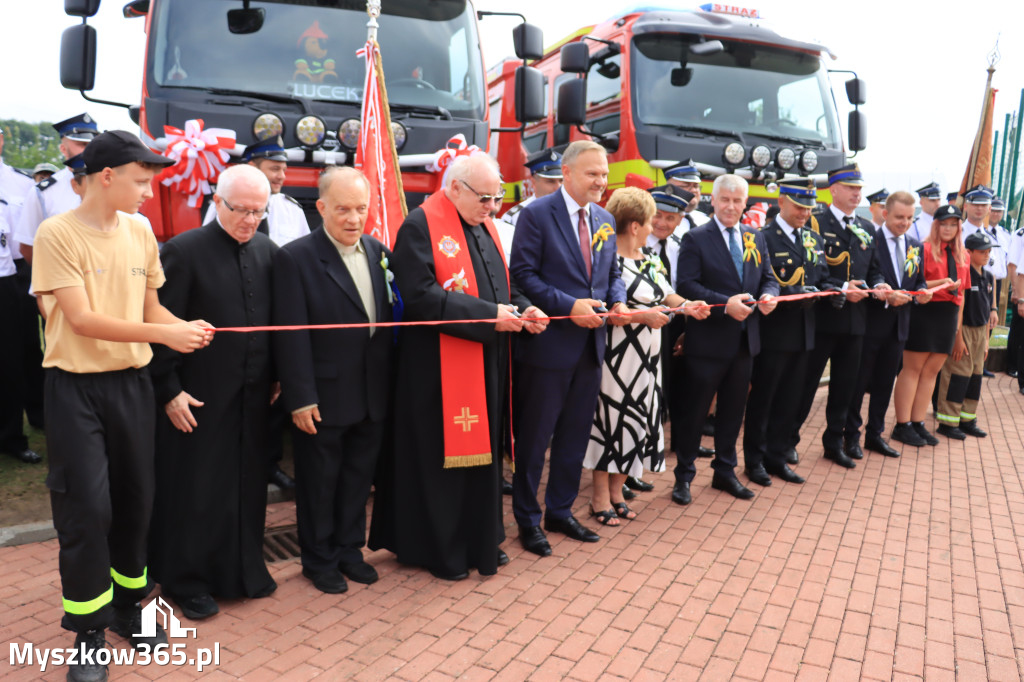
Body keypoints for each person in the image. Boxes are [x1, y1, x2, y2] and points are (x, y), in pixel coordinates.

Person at [31, 130, 211, 682]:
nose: (147, 193)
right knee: (87, 508)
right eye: (140, 181)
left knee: (136, 503)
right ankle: (88, 631)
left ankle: (130, 609)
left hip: (131, 386)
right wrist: (164, 338)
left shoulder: (139, 231)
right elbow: (82, 320)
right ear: (106, 176)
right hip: (75, 388)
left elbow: (151, 305)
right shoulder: (57, 233)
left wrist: (184, 329)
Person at [369, 154, 546, 580]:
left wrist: (524, 308)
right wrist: (490, 315)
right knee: (442, 462)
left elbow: (504, 283)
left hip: (487, 359)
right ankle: (442, 548)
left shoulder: (483, 223)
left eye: (497, 197)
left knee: (483, 459)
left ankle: (479, 539)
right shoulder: (420, 225)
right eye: (485, 198)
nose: (492, 207)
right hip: (437, 370)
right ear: (454, 188)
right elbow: (421, 296)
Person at [148, 164, 278, 619]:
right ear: (216, 202)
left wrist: (278, 376)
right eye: (239, 210)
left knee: (245, 485)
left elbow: (276, 325)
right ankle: (188, 580)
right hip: (196, 396)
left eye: (258, 212)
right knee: (197, 490)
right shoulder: (183, 251)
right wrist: (169, 391)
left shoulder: (268, 251)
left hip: (252, 395)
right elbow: (159, 327)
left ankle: (243, 571)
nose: (249, 220)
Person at [273, 167, 395, 593]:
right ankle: (318, 559)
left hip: (372, 393)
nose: (353, 218)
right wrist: (299, 396)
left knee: (358, 480)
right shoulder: (296, 257)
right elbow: (291, 336)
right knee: (319, 482)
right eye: (343, 209)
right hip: (322, 394)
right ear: (321, 207)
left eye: (361, 209)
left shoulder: (380, 251)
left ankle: (349, 550)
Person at [509, 140, 629, 556]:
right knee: (535, 439)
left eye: (604, 173)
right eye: (593, 173)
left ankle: (560, 511)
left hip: (592, 347)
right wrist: (568, 306)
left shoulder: (605, 219)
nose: (601, 181)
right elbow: (522, 276)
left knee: (575, 436)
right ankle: (528, 519)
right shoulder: (536, 214)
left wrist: (616, 299)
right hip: (548, 348)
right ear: (568, 174)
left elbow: (612, 271)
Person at [583, 187, 707, 524]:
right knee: (610, 422)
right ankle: (598, 498)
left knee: (638, 422)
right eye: (651, 220)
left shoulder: (650, 259)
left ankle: (616, 490)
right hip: (617, 358)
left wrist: (687, 306)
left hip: (648, 360)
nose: (656, 227)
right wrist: (644, 317)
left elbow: (667, 294)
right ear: (635, 225)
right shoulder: (606, 261)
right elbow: (610, 311)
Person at [671, 173, 779, 505]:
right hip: (708, 342)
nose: (731, 206)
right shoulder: (695, 238)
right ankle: (684, 476)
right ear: (713, 201)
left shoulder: (755, 237)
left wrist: (770, 296)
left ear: (745, 202)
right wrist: (724, 306)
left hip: (746, 342)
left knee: (733, 411)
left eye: (737, 200)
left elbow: (769, 278)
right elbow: (687, 286)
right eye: (725, 200)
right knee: (695, 412)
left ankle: (725, 471)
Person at [791, 164, 888, 469]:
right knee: (806, 384)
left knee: (846, 385)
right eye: (850, 187)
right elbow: (813, 273)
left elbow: (873, 269)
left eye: (859, 188)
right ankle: (787, 441)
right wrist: (844, 288)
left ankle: (835, 441)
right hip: (822, 319)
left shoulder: (867, 227)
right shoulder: (815, 224)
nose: (856, 193)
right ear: (833, 190)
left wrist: (880, 283)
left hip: (856, 320)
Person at [742, 179, 828, 486]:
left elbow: (822, 276)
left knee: (790, 399)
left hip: (805, 331)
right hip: (774, 331)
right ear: (782, 201)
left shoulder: (813, 238)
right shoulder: (762, 237)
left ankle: (777, 457)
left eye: (809, 208)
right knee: (764, 398)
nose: (805, 213)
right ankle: (754, 460)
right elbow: (756, 282)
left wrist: (835, 290)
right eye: (799, 207)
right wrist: (792, 290)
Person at [845, 191, 930, 460]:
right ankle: (851, 436)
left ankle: (875, 435)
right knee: (859, 384)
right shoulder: (869, 242)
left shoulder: (916, 245)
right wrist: (883, 296)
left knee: (884, 384)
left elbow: (918, 281)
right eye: (898, 217)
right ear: (885, 214)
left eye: (909, 217)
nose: (904, 223)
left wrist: (923, 293)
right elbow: (862, 278)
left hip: (899, 327)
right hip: (871, 324)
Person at [891, 204, 968, 446]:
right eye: (943, 223)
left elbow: (962, 294)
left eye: (953, 224)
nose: (948, 228)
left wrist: (957, 330)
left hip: (948, 314)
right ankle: (902, 425)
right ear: (935, 225)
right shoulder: (920, 249)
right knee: (912, 369)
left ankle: (917, 423)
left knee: (931, 372)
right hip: (924, 311)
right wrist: (940, 283)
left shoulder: (962, 255)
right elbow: (910, 282)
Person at [0, 126, 40, 464]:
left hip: (8, 277)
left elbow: (24, 238)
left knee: (13, 360)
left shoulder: (21, 184)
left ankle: (12, 435)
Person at [935, 230, 997, 439]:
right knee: (957, 375)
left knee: (975, 376)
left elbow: (988, 309)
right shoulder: (963, 273)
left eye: (989, 251)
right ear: (968, 252)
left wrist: (986, 341)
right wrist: (958, 338)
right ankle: (947, 421)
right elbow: (958, 309)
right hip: (965, 330)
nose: (987, 255)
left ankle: (967, 418)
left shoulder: (988, 276)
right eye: (982, 251)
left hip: (981, 331)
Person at [15, 113, 98, 263]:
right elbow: (27, 246)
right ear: (63, 149)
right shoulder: (43, 192)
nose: (88, 150)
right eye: (82, 145)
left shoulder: (110, 186)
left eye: (92, 144)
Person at [204, 136, 310, 248]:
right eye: (275, 169)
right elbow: (207, 245)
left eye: (284, 170)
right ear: (252, 167)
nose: (281, 176)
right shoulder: (225, 204)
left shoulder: (293, 210)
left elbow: (304, 253)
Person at [503, 148, 563, 227]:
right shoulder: (516, 217)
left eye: (561, 181)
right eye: (550, 181)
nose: (558, 187)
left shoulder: (574, 211)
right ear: (534, 182)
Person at [664, 159, 709, 229]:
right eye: (686, 185)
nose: (693, 190)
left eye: (696, 186)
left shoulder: (706, 222)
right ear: (670, 189)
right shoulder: (660, 223)